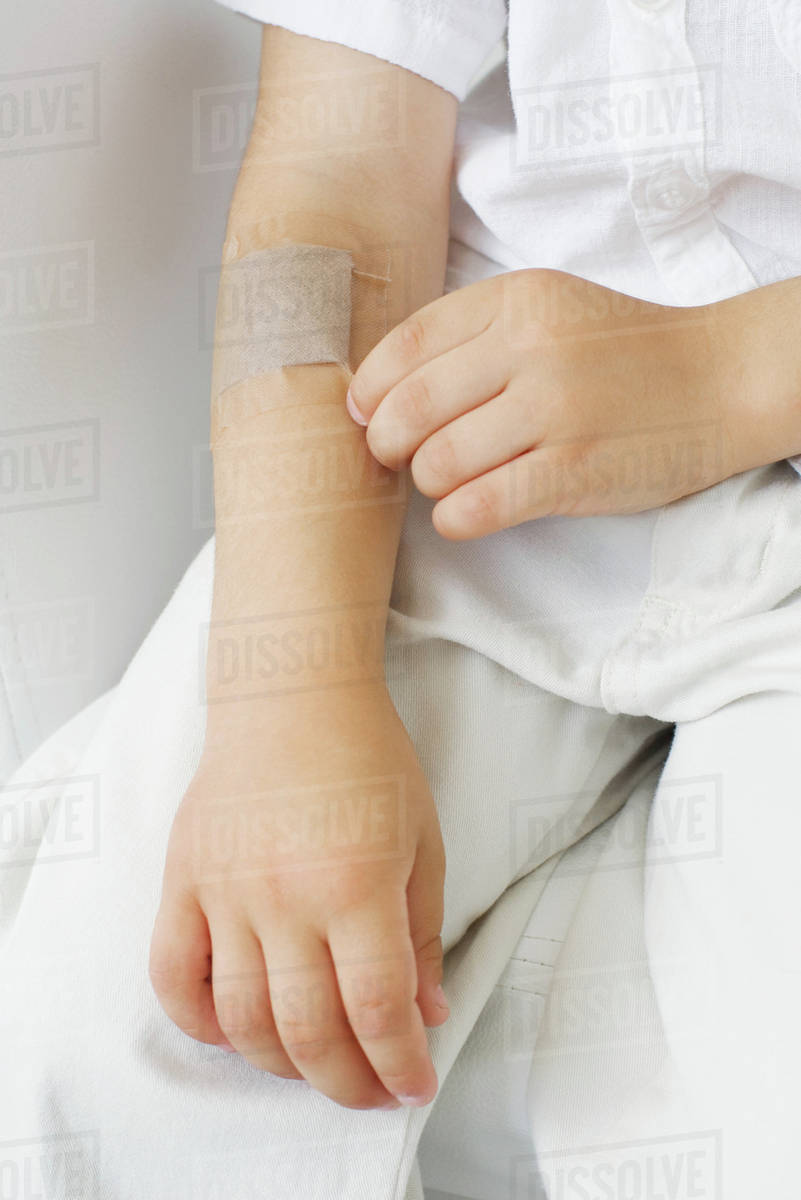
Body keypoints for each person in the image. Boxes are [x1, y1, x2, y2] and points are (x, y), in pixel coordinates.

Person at [3, 4, 801, 1197]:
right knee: (141, 1012)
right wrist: (291, 695)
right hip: (461, 432)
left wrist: (725, 371)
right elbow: (330, 199)